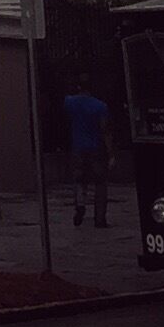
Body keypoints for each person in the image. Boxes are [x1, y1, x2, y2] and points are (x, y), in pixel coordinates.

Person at [63, 78, 114, 227]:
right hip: (95, 148)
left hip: (78, 147)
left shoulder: (70, 102)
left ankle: (80, 204)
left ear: (78, 87)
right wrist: (111, 153)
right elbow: (105, 130)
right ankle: (100, 218)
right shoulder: (100, 106)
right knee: (100, 183)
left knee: (79, 179)